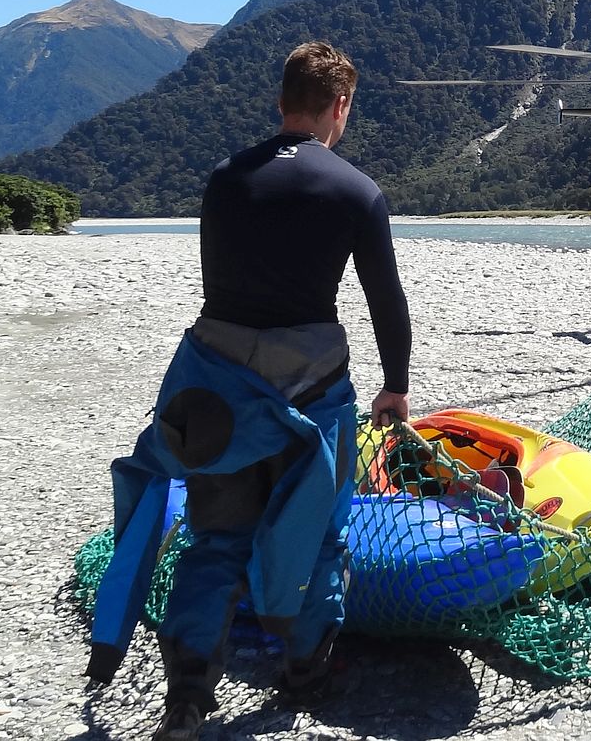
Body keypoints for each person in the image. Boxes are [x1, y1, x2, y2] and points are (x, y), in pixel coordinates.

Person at [86, 41, 412, 741]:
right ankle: (305, 674)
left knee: (215, 538)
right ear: (340, 106)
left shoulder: (225, 179)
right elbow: (386, 300)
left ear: (281, 102)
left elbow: (225, 287)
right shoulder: (355, 190)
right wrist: (395, 386)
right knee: (319, 533)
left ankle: (187, 699)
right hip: (312, 389)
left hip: (216, 392)